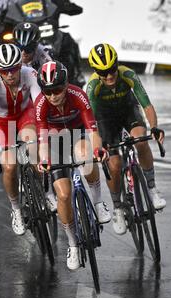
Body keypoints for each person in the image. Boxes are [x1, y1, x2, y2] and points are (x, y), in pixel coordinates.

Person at [35, 60, 112, 270]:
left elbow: (92, 130)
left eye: (57, 90)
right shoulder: (41, 104)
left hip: (77, 133)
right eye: (48, 92)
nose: (53, 96)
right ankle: (72, 244)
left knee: (85, 155)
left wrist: (97, 150)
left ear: (66, 85)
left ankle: (97, 202)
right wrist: (44, 161)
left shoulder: (78, 95)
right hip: (54, 141)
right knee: (64, 195)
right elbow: (42, 140)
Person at [86, 43, 166, 235]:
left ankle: (152, 188)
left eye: (112, 69)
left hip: (128, 111)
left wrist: (154, 127)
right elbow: (92, 124)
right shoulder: (93, 86)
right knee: (113, 164)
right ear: (96, 71)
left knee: (140, 140)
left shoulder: (128, 74)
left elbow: (146, 105)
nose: (109, 76)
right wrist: (99, 147)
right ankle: (118, 208)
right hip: (105, 119)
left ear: (117, 64)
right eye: (103, 72)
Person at [0, 43, 43, 236]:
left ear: (20, 65)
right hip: (3, 121)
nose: (10, 74)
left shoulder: (30, 74)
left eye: (13, 69)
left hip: (25, 114)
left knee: (33, 145)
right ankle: (16, 209)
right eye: (4, 71)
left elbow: (40, 107)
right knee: (9, 166)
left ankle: (46, 191)